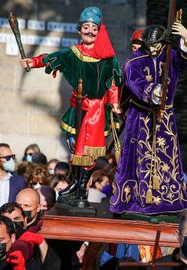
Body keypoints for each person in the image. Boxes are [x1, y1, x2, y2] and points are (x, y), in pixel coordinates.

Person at [21, 7, 122, 207]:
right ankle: (75, 185)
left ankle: (81, 191)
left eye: (94, 27)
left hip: (98, 112)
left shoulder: (108, 58)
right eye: (86, 27)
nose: (90, 31)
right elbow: (51, 58)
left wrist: (116, 103)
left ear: (99, 30)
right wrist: (32, 62)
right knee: (76, 151)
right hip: (77, 111)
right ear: (79, 30)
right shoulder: (72, 53)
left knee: (89, 156)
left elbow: (113, 82)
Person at [110, 21, 187, 215]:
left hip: (165, 117)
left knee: (166, 158)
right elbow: (134, 82)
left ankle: (167, 200)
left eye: (157, 45)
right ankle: (135, 200)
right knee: (138, 157)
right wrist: (153, 91)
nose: (153, 49)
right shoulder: (134, 62)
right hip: (140, 117)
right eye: (149, 45)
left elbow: (185, 58)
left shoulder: (171, 56)